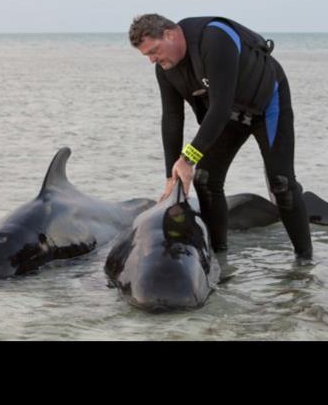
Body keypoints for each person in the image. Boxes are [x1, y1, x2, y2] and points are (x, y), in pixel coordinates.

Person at [128, 14, 314, 260]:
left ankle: (304, 264)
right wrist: (170, 176)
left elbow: (219, 108)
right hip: (228, 116)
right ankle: (220, 260)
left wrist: (187, 158)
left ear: (170, 34)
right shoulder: (165, 70)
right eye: (147, 56)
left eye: (154, 51)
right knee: (205, 179)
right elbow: (172, 119)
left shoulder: (214, 39)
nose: (153, 59)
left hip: (266, 104)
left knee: (281, 183)